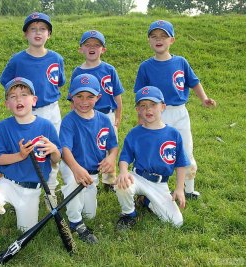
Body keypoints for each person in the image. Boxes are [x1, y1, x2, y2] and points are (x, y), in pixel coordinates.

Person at [0, 77, 61, 265]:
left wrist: (54, 151)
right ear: (7, 104)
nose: (19, 100)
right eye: (13, 97)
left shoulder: (46, 126)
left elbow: (57, 159)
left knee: (25, 230)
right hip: (9, 182)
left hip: (32, 188)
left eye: (24, 95)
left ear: (34, 100)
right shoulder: (5, 127)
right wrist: (20, 155)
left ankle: (17, 214)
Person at [134, 20, 216, 199]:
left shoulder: (180, 62)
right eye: (154, 36)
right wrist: (141, 118)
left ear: (172, 40)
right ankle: (148, 190)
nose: (159, 39)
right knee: (154, 150)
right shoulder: (145, 67)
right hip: (155, 114)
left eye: (163, 36)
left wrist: (204, 98)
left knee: (185, 150)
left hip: (179, 112)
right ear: (149, 40)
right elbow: (140, 95)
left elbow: (193, 82)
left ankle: (188, 189)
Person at [0, 12, 65, 201]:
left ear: (49, 34)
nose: (38, 33)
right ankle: (25, 182)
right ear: (25, 34)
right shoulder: (17, 60)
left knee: (51, 147)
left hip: (51, 109)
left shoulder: (56, 58)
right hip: (28, 112)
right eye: (33, 29)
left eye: (43, 29)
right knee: (29, 148)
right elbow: (7, 81)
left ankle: (50, 188)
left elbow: (58, 82)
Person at [114, 86, 190, 229]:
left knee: (176, 222)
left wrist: (179, 188)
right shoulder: (135, 133)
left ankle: (147, 201)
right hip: (138, 177)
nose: (148, 110)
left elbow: (180, 163)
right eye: (143, 106)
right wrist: (123, 172)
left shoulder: (173, 134)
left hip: (160, 184)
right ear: (137, 110)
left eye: (153, 105)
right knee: (121, 185)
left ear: (163, 106)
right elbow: (125, 157)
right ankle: (128, 215)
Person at [59, 74, 118, 244]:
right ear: (71, 97)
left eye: (90, 97)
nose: (84, 101)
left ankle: (71, 201)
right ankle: (75, 223)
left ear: (98, 97)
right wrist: (76, 169)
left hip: (92, 173)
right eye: (79, 96)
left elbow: (113, 145)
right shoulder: (69, 120)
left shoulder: (104, 119)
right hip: (72, 165)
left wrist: (112, 157)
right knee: (73, 182)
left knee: (90, 214)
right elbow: (65, 150)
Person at [70, 30, 124, 193]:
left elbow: (117, 96)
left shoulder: (109, 69)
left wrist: (118, 117)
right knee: (88, 145)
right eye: (87, 45)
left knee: (108, 146)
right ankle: (89, 175)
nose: (92, 48)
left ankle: (109, 180)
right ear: (81, 49)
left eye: (97, 45)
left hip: (106, 114)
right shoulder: (78, 72)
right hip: (85, 115)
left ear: (103, 49)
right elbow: (73, 98)